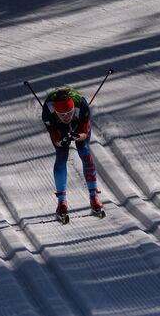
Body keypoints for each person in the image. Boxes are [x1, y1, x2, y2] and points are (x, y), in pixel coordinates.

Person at [42, 86, 104, 220]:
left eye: (69, 113)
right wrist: (62, 140)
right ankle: (62, 202)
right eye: (62, 115)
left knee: (84, 151)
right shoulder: (48, 111)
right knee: (61, 156)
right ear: (56, 112)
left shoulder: (82, 106)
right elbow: (55, 138)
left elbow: (84, 133)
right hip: (57, 126)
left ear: (73, 109)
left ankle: (94, 196)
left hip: (78, 122)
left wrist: (76, 136)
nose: (66, 117)